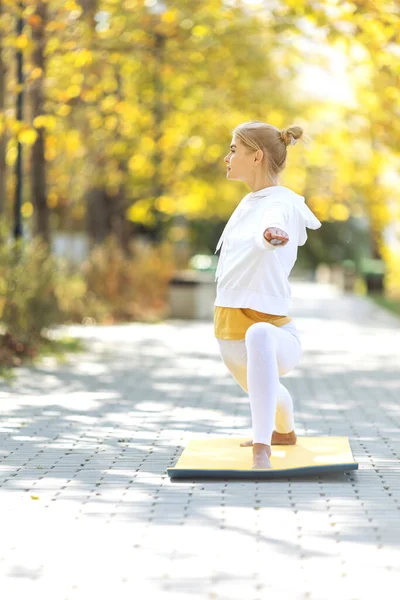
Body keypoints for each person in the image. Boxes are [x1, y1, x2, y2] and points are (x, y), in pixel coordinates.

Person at [214, 121, 322, 469]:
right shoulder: (250, 201)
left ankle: (262, 447)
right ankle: (284, 432)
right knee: (269, 392)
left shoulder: (281, 203)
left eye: (233, 149)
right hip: (228, 328)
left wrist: (269, 235)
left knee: (259, 336)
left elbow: (271, 226)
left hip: (271, 332)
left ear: (256, 156)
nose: (227, 157)